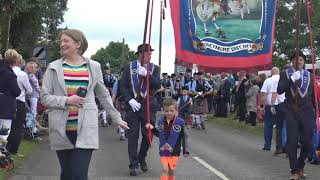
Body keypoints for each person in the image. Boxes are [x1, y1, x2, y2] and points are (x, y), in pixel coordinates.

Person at [40, 29, 128, 180]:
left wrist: (117, 118)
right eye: (61, 41)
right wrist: (67, 101)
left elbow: (104, 95)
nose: (62, 44)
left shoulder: (93, 67)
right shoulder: (53, 68)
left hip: (86, 128)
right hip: (61, 129)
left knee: (79, 174)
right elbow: (44, 98)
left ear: (78, 44)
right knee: (67, 175)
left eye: (66, 41)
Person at [120, 43, 161, 176]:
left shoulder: (155, 68)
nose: (150, 56)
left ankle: (142, 156)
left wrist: (148, 75)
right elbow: (123, 86)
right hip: (133, 106)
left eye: (151, 54)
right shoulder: (128, 67)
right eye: (148, 53)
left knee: (148, 135)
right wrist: (129, 100)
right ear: (140, 54)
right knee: (132, 136)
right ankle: (133, 164)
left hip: (149, 106)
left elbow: (157, 85)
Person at [277, 51, 315, 180]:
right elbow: (280, 90)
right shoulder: (285, 74)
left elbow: (314, 97)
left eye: (300, 60)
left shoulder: (310, 76)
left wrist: (318, 113)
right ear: (291, 62)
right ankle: (294, 171)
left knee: (308, 142)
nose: (297, 62)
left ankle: (300, 165)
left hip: (307, 112)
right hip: (291, 111)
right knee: (292, 142)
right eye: (295, 60)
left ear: (304, 62)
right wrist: (291, 79)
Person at [145, 98, 188, 180]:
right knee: (165, 170)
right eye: (166, 111)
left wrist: (185, 150)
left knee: (171, 170)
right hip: (163, 150)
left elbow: (184, 137)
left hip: (174, 151)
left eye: (171, 111)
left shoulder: (180, 122)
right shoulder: (161, 121)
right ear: (163, 111)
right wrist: (152, 128)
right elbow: (159, 134)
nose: (169, 113)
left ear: (176, 110)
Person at [6, 53, 32, 154]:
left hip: (8, 100)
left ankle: (5, 146)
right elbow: (29, 90)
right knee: (18, 126)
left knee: (7, 125)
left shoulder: (5, 71)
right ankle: (13, 149)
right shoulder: (22, 74)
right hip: (19, 101)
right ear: (19, 61)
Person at [0, 50, 21, 141]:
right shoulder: (10, 75)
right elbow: (17, 92)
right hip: (6, 107)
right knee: (4, 132)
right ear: (15, 60)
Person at [176, 86, 192, 155]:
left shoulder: (190, 99)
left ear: (188, 92)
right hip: (180, 117)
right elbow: (176, 106)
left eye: (185, 91)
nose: (183, 92)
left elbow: (191, 107)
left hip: (187, 117)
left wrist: (190, 104)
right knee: (183, 133)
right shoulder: (180, 98)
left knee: (186, 134)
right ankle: (181, 149)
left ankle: (186, 149)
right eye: (182, 91)